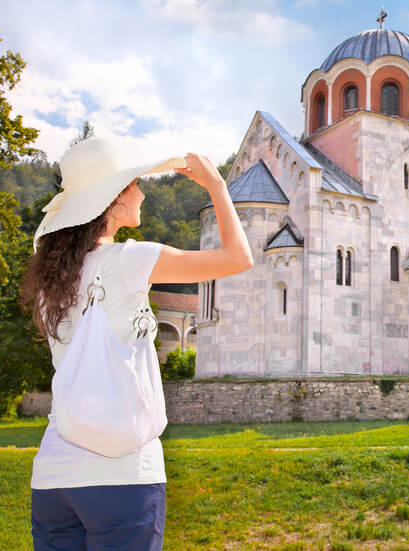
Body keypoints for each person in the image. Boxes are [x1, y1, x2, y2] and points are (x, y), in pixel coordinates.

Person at [20, 137, 253, 551]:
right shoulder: (127, 261)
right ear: (113, 202)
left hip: (54, 479)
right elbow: (237, 257)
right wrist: (218, 186)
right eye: (133, 184)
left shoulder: (50, 283)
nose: (143, 191)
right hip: (122, 478)